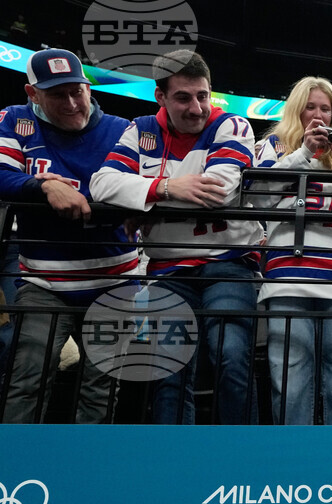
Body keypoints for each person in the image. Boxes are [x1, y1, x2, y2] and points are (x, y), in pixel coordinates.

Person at [91, 49, 263, 424]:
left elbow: (217, 190)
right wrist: (168, 188)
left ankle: (244, 456)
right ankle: (176, 465)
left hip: (228, 263)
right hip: (167, 269)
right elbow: (101, 184)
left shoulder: (233, 125)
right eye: (183, 97)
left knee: (231, 356)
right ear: (161, 97)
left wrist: (141, 197)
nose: (197, 108)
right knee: (169, 371)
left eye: (203, 96)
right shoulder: (140, 129)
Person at [0, 48, 138, 423]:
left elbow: (145, 187)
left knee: (101, 387)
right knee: (26, 376)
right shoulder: (14, 120)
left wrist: (85, 199)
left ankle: (88, 473)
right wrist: (40, 186)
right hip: (45, 281)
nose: (73, 102)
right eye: (58, 94)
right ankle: (14, 469)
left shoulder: (124, 129)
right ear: (33, 94)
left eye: (78, 90)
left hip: (115, 280)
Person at [253, 76, 332, 425]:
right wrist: (303, 153)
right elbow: (258, 199)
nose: (319, 116)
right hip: (288, 274)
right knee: (289, 376)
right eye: (311, 107)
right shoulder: (274, 145)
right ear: (296, 110)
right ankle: (294, 457)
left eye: (326, 109)